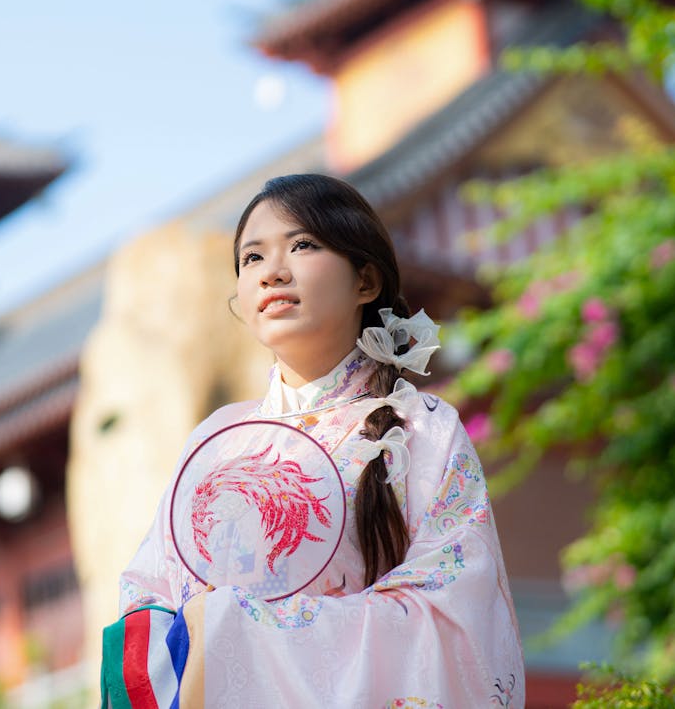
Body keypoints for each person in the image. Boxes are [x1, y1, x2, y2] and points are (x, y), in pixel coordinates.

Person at [101, 174, 525, 708]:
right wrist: (195, 634)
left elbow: (452, 615)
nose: (272, 272)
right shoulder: (214, 442)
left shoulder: (422, 430)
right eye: (251, 259)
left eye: (302, 246)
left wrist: (242, 628)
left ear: (365, 281)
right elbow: (146, 600)